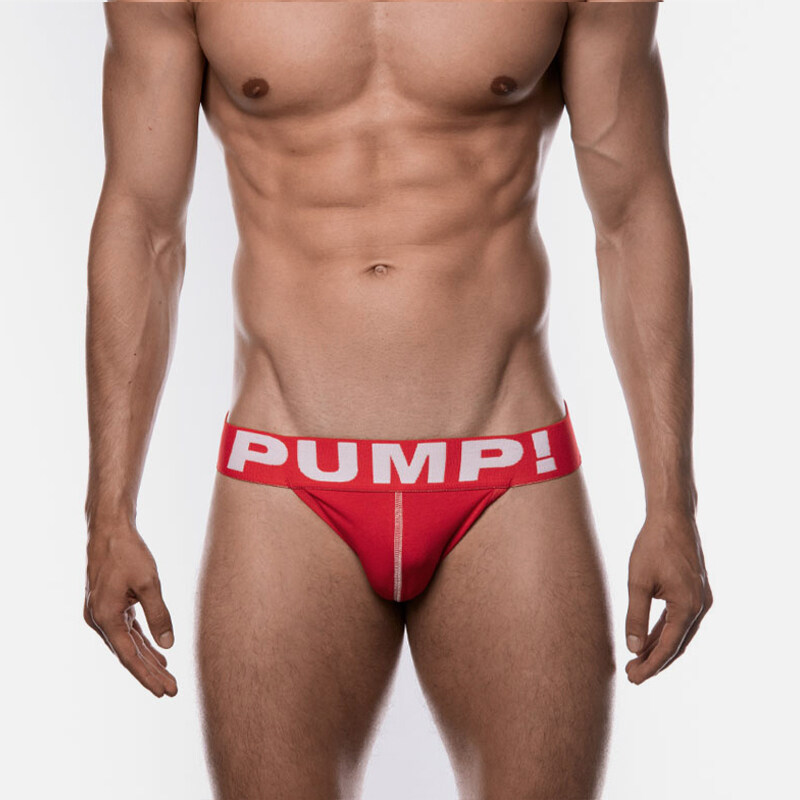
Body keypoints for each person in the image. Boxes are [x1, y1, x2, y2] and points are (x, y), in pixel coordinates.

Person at [83, 1, 712, 797]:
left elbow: (631, 212)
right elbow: (143, 224)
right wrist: (109, 512)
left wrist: (672, 504)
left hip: (507, 465)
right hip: (286, 474)